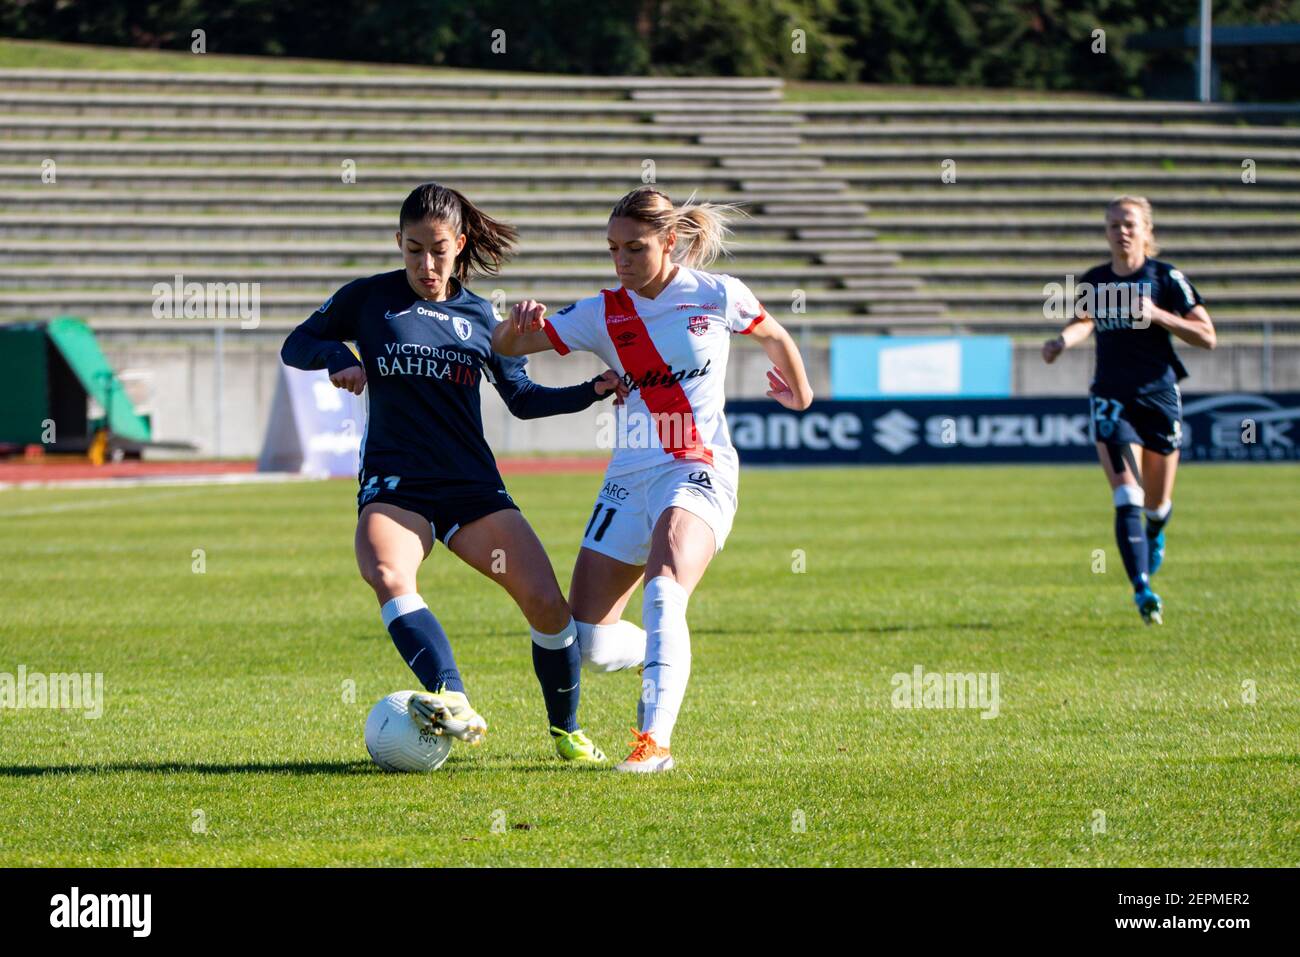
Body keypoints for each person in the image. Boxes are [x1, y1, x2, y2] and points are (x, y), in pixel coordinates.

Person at [281, 182, 627, 762]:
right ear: (398, 242)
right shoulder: (369, 299)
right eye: (413, 249)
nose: (425, 263)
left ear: (460, 244)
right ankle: (453, 697)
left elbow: (521, 397)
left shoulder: (479, 316)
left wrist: (589, 391)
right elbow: (299, 342)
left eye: (438, 249)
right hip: (397, 485)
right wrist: (339, 356)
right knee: (388, 573)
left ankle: (566, 731)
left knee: (547, 604)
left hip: (472, 489)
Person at [493, 186, 815, 771]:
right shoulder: (602, 312)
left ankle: (653, 743)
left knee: (664, 586)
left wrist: (801, 390)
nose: (621, 261)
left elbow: (773, 333)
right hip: (628, 477)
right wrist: (515, 329)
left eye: (634, 249)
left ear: (670, 242)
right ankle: (664, 655)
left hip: (698, 466)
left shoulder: (717, 294)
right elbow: (509, 346)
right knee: (587, 640)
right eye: (612, 249)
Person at [1043, 195, 1217, 624]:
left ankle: (1156, 531)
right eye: (1114, 224)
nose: (1121, 230)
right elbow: (1086, 319)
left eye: (1129, 224)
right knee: (1127, 495)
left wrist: (1158, 314)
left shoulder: (1166, 278)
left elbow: (1207, 335)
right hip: (1111, 399)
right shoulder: (1095, 280)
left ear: (1146, 231)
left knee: (1156, 504)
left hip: (1158, 397)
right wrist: (1063, 341)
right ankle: (1142, 589)